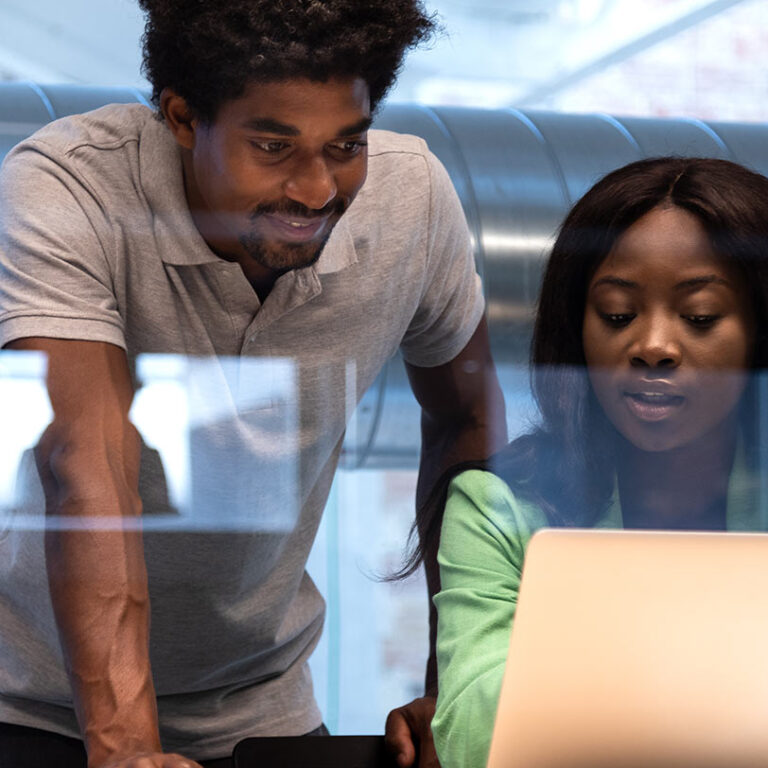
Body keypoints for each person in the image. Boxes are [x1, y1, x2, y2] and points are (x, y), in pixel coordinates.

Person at [0, 1, 507, 767]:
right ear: (181, 117)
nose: (314, 190)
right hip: (32, 699)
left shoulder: (413, 200)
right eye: (273, 145)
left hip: (261, 700)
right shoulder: (67, 186)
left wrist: (457, 682)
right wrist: (128, 750)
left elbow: (469, 423)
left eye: (346, 144)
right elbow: (87, 466)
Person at [428, 156, 768, 768]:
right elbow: (477, 743)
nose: (653, 347)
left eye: (698, 317)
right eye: (616, 314)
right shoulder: (500, 506)